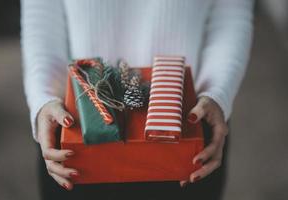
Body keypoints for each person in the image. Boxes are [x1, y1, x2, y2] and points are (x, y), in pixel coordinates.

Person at [21, 0, 254, 199]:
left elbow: (231, 16)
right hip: (76, 126)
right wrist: (44, 98)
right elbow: (40, 18)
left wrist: (217, 93)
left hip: (192, 121)